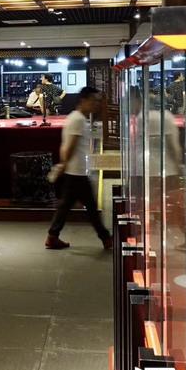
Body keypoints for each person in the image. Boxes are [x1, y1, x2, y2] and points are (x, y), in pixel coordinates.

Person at [45, 86, 113, 250]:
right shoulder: (78, 120)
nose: (96, 104)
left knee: (67, 205)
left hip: (75, 170)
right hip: (77, 172)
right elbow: (70, 146)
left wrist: (64, 164)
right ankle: (105, 238)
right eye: (93, 101)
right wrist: (64, 164)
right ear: (83, 101)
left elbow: (65, 146)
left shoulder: (75, 118)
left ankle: (53, 236)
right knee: (90, 208)